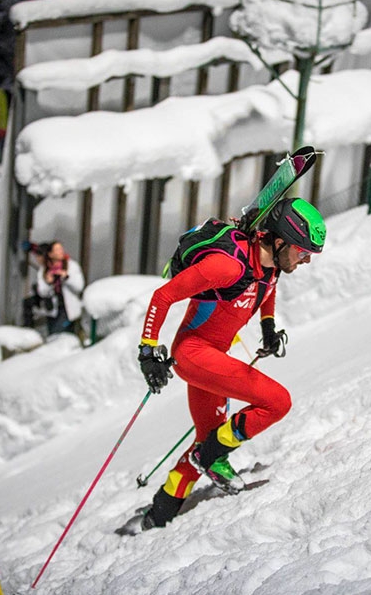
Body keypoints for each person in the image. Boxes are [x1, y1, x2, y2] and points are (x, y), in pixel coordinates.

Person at [132, 197, 327, 532]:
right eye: (302, 251)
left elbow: (268, 292)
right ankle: (209, 456)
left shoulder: (272, 267)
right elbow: (163, 297)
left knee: (208, 437)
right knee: (277, 402)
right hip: (194, 354)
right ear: (279, 240)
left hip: (213, 357)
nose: (306, 260)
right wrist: (148, 351)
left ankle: (161, 510)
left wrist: (268, 326)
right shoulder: (228, 266)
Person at [36, 240, 85, 338]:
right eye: (57, 250)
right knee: (54, 337)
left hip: (69, 310)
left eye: (61, 249)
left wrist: (67, 277)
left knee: (67, 337)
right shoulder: (44, 270)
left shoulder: (71, 266)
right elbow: (42, 292)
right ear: (50, 254)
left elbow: (79, 286)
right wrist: (49, 283)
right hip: (53, 311)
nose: (61, 251)